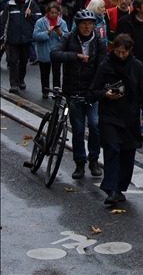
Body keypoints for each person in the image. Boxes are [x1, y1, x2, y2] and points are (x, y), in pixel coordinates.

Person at [89, 34, 143, 206]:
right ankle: (111, 188)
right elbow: (93, 91)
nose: (121, 55)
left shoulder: (137, 66)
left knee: (127, 153)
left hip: (129, 115)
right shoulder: (105, 66)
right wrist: (105, 94)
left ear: (130, 50)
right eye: (118, 52)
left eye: (124, 52)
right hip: (109, 114)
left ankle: (120, 187)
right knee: (112, 148)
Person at [51, 9, 105, 179]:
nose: (87, 27)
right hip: (73, 91)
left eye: (90, 24)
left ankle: (94, 159)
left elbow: (102, 66)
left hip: (92, 92)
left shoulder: (99, 41)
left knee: (95, 125)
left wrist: (95, 90)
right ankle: (80, 163)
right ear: (78, 26)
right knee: (79, 129)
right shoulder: (69, 38)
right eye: (84, 24)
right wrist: (75, 56)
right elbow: (55, 54)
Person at [1, 0, 41, 92]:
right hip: (13, 39)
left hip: (26, 39)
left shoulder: (30, 3)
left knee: (24, 62)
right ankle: (14, 84)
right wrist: (3, 40)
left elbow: (39, 18)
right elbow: (4, 23)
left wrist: (31, 14)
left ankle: (21, 79)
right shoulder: (9, 5)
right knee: (13, 62)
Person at [33, 2, 67, 96]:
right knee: (44, 73)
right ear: (48, 12)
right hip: (44, 52)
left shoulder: (62, 23)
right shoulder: (40, 22)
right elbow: (35, 35)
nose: (54, 15)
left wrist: (60, 33)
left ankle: (56, 91)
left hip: (57, 53)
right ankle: (45, 91)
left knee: (57, 73)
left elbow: (67, 36)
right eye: (52, 12)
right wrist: (47, 33)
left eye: (56, 13)